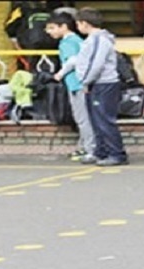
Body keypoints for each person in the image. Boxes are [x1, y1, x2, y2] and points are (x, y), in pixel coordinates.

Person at [54, 8, 127, 167]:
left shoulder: (98, 40)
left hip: (102, 84)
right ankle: (101, 151)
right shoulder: (92, 40)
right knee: (96, 120)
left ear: (84, 23)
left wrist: (85, 81)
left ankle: (116, 153)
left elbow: (95, 64)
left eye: (78, 24)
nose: (77, 27)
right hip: (97, 84)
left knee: (104, 120)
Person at [44, 13, 95, 162]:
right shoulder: (78, 40)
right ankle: (84, 146)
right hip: (82, 83)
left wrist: (59, 74)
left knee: (82, 119)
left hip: (76, 83)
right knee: (85, 118)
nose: (49, 32)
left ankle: (90, 149)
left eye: (52, 28)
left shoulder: (67, 43)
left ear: (63, 27)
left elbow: (72, 60)